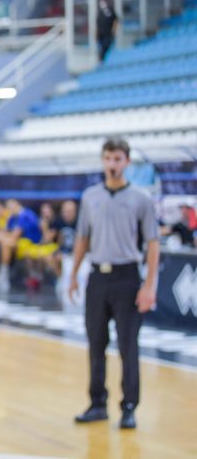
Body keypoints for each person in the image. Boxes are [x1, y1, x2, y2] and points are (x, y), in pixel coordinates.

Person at [69, 137, 160, 430]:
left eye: (118, 159)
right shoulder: (90, 197)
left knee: (128, 345)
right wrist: (73, 274)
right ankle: (97, 403)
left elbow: (153, 242)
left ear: (127, 162)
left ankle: (129, 406)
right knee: (96, 343)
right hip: (98, 276)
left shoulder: (141, 198)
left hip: (127, 277)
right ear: (103, 160)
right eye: (108, 158)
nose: (112, 164)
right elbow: (82, 237)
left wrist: (149, 285)